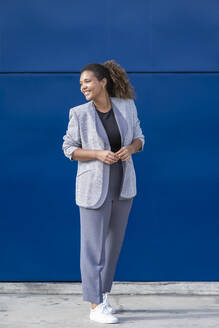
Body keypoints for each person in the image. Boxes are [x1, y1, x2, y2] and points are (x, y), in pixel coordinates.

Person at [62, 60, 145, 324]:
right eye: (81, 84)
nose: (83, 86)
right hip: (92, 188)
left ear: (103, 82)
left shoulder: (126, 107)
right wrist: (97, 153)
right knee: (93, 248)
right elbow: (69, 148)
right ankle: (94, 304)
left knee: (112, 248)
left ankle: (104, 295)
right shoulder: (79, 113)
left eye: (87, 81)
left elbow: (140, 139)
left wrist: (129, 149)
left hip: (123, 185)